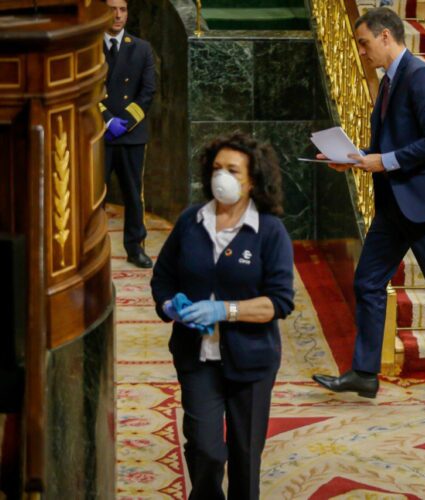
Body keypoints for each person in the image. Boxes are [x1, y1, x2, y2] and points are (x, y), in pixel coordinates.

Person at [312, 7, 425, 411]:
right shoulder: (388, 81)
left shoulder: (424, 79)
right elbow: (392, 142)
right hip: (395, 205)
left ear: (386, 37)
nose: (362, 52)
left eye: (365, 43)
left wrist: (382, 161)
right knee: (368, 282)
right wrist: (356, 158)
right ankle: (365, 374)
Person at [150, 132, 295, 499]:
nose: (222, 177)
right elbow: (163, 277)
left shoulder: (270, 232)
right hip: (197, 357)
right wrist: (172, 306)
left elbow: (278, 302)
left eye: (232, 170)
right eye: (216, 168)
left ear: (252, 180)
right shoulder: (190, 221)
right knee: (205, 450)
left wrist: (224, 310)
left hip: (251, 360)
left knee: (245, 456)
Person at [100, 0, 156, 268]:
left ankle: (135, 248)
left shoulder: (142, 48)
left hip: (131, 135)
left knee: (134, 195)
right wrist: (107, 121)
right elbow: (84, 89)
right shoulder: (88, 47)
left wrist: (124, 122)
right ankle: (92, 249)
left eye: (122, 9)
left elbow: (147, 92)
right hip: (98, 135)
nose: (117, 15)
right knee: (94, 195)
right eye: (112, 9)